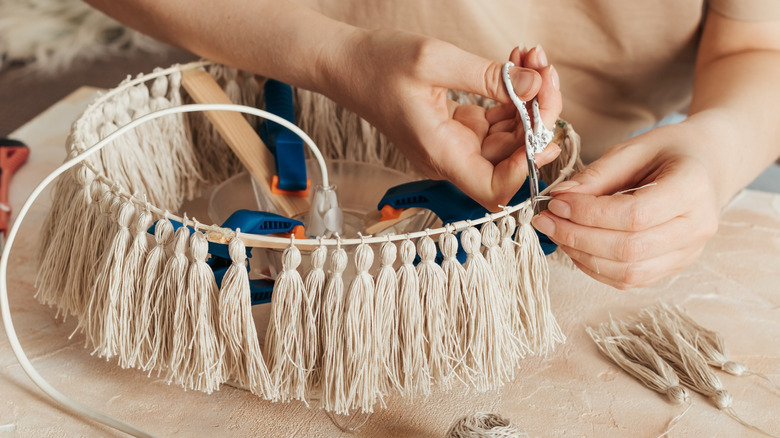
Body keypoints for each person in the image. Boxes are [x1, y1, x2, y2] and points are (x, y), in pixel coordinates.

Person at [85, 0, 780, 289]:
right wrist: (336, 58)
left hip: (576, 209)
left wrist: (717, 151)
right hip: (264, 93)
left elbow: (758, 42)